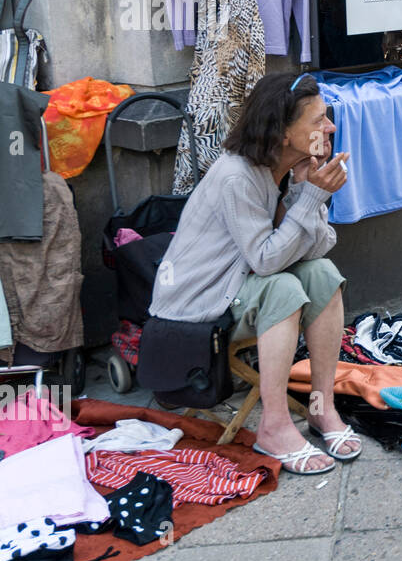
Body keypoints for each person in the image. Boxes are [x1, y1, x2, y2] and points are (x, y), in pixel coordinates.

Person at [148, 71, 360, 475]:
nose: (330, 127)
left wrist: (304, 190)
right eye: (318, 121)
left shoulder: (284, 169)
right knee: (280, 287)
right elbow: (266, 262)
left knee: (322, 273)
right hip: (198, 306)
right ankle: (274, 426)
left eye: (327, 117)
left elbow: (318, 247)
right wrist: (313, 195)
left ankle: (322, 407)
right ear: (282, 133)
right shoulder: (236, 176)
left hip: (239, 285)